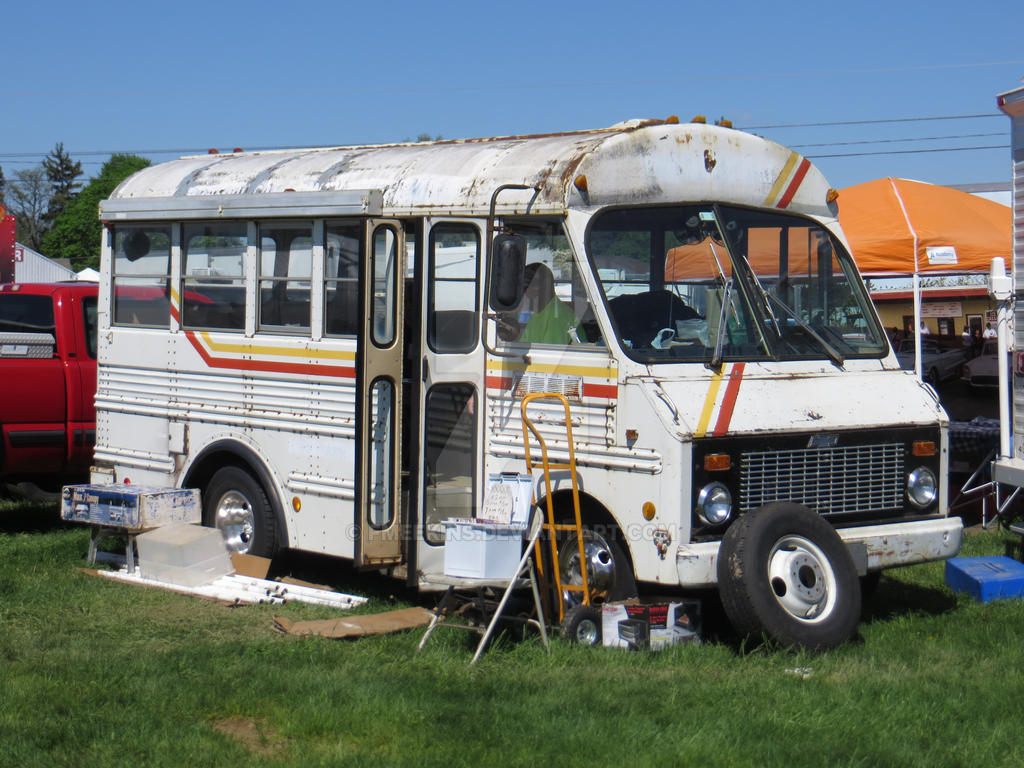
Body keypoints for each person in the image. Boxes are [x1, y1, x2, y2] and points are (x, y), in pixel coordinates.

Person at [508, 262, 585, 345]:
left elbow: (551, 352)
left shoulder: (556, 316)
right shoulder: (540, 312)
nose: (523, 290)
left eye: (527, 284)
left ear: (545, 286)